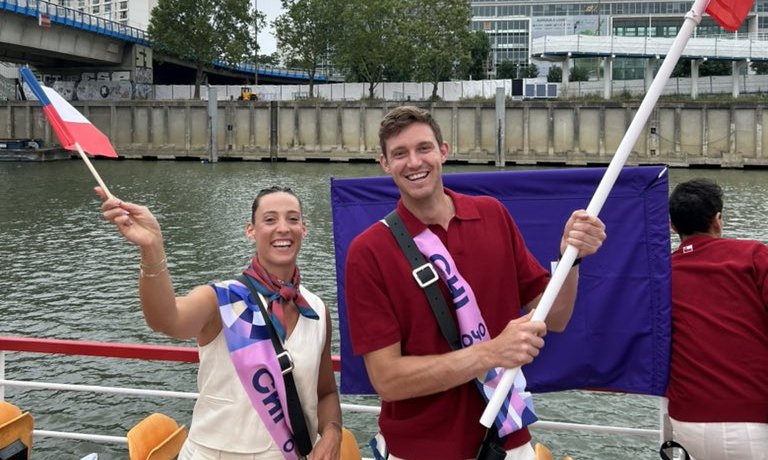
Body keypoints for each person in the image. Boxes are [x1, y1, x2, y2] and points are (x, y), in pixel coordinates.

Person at [344, 106, 607, 460]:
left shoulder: (493, 214)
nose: (414, 162)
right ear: (385, 164)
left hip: (509, 441)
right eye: (400, 154)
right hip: (420, 448)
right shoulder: (369, 251)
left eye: (424, 148)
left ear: (444, 151)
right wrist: (491, 352)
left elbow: (555, 317)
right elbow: (387, 380)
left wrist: (572, 259)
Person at [97, 186, 342, 460]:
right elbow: (166, 319)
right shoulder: (220, 300)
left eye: (293, 219)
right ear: (251, 231)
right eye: (270, 220)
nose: (283, 228)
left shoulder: (317, 310)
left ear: (304, 230)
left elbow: (325, 392)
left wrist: (333, 432)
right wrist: (152, 247)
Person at [666, 178, 768, 460]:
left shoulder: (661, 274)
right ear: (718, 220)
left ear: (673, 226)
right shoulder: (754, 256)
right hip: (756, 414)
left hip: (688, 422)